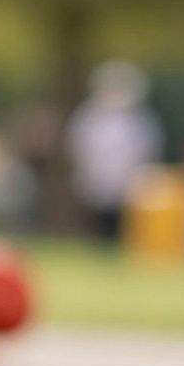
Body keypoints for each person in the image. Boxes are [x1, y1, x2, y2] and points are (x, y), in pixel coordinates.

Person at [65, 60, 161, 244]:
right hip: (98, 174)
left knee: (123, 217)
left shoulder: (139, 118)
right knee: (99, 215)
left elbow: (147, 147)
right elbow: (79, 144)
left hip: (128, 176)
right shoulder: (90, 114)